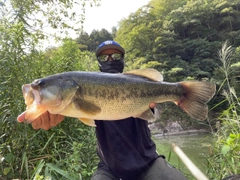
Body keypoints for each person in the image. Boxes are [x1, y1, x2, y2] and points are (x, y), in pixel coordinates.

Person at [21, 40, 187, 180]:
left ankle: (182, 91)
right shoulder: (71, 102)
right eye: (104, 57)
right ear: (98, 61)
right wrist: (48, 111)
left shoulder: (138, 82)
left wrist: (154, 104)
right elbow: (78, 113)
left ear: (122, 59)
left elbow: (152, 116)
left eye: (115, 56)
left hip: (148, 162)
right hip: (109, 169)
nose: (110, 60)